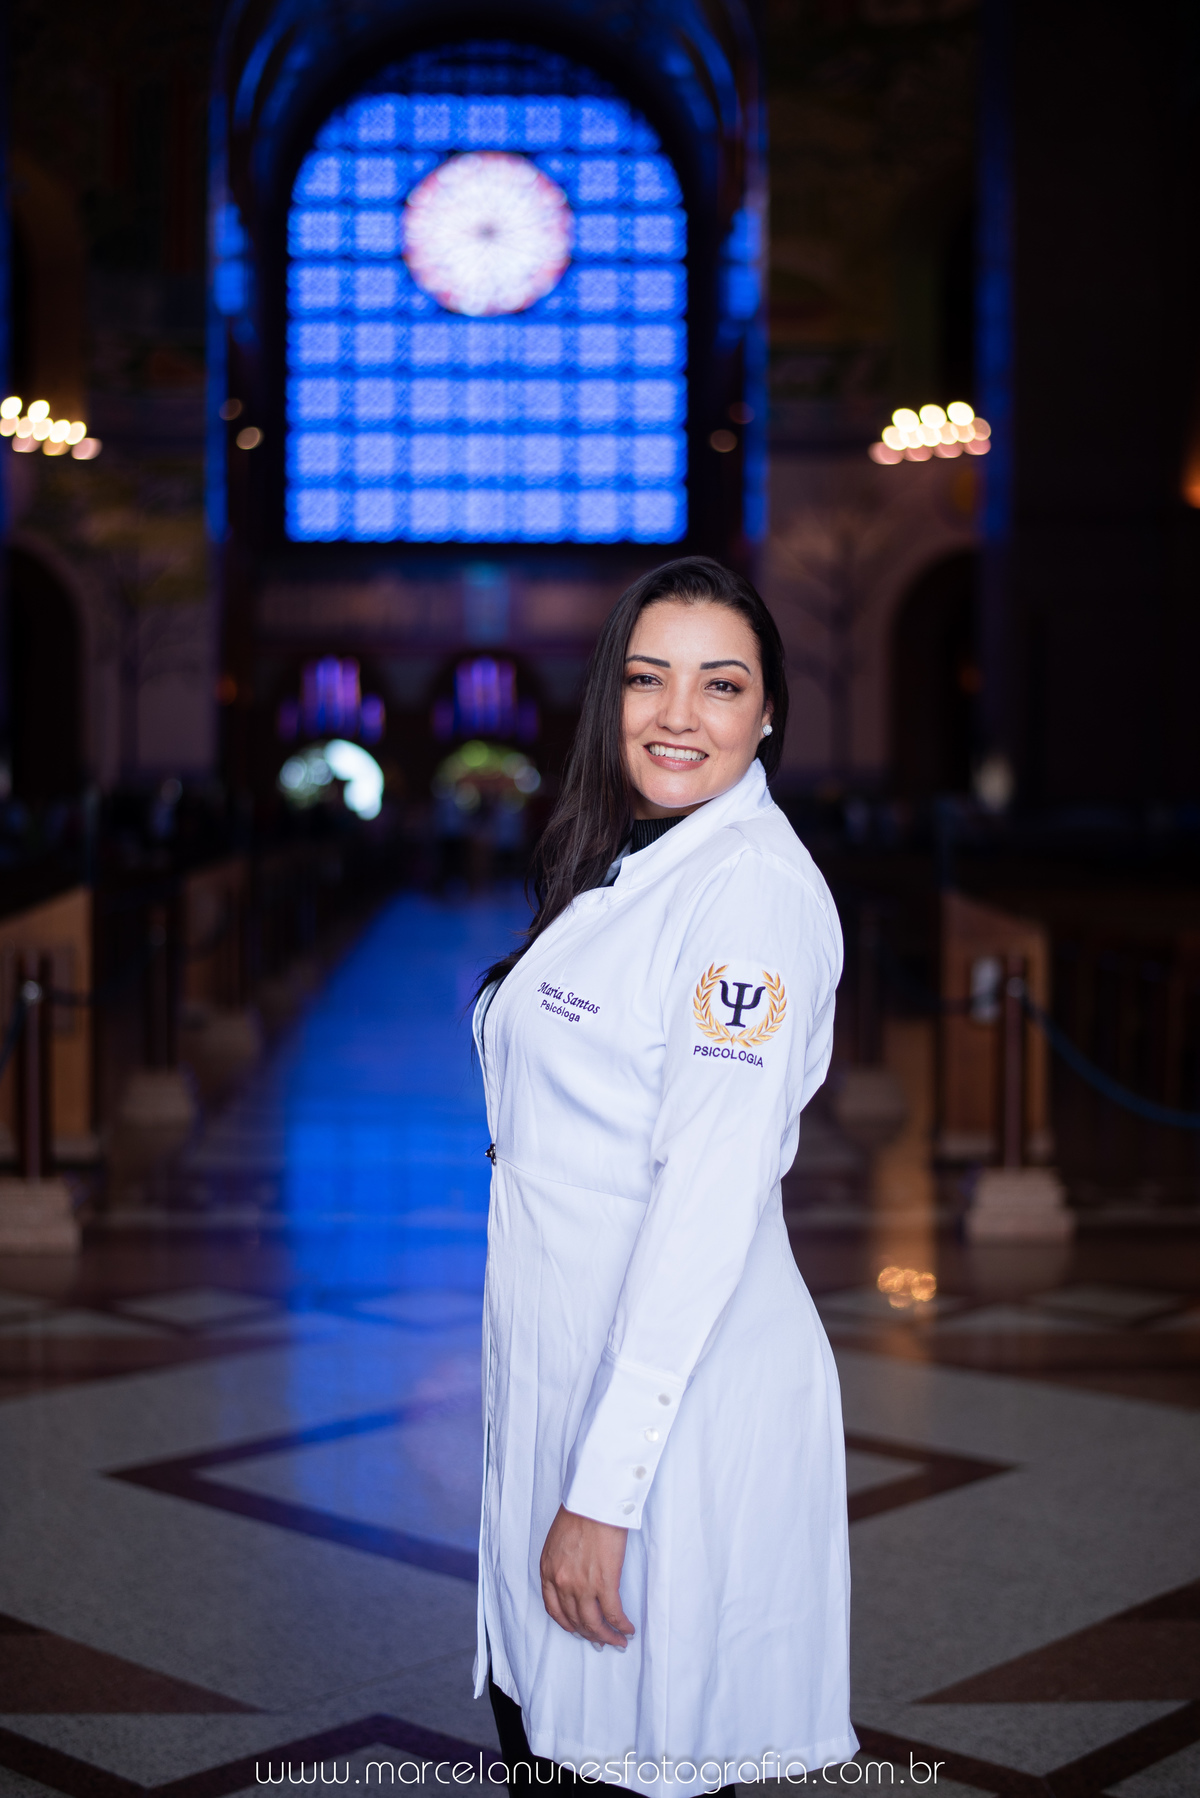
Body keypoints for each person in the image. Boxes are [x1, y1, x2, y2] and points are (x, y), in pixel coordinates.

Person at [473, 557, 857, 1793]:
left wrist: (605, 1491)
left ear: (768, 715)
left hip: (664, 1418)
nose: (677, 714)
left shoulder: (746, 893)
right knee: (559, 1739)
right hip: (576, 1372)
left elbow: (705, 1205)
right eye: (648, 678)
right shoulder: (639, 861)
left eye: (720, 684)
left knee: (630, 1759)